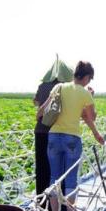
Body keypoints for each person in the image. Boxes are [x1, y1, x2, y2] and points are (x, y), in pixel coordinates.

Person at [37, 61, 104, 211]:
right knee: (71, 180)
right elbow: (91, 117)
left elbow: (42, 110)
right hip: (72, 138)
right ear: (87, 76)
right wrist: (96, 133)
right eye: (90, 78)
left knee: (54, 178)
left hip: (53, 136)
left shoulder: (59, 87)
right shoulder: (85, 93)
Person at [33, 57, 74, 202]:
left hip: (40, 130)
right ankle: (59, 203)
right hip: (57, 131)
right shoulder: (66, 87)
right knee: (58, 169)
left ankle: (41, 201)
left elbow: (35, 102)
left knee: (42, 168)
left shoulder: (43, 86)